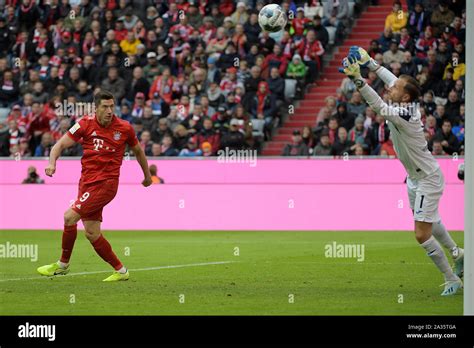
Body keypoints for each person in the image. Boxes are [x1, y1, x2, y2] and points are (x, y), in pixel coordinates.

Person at [340, 46, 463, 296]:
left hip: (427, 178)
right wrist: (371, 63)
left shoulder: (404, 114)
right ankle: (458, 254)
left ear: (405, 98)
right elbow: (394, 81)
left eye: (395, 89)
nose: (390, 88)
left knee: (420, 233)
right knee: (430, 220)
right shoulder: (405, 101)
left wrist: (358, 79)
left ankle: (451, 278)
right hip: (414, 178)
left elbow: (378, 107)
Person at [37, 91, 152, 282]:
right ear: (96, 108)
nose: (109, 111)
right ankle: (121, 271)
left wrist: (147, 176)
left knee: (69, 217)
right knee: (92, 233)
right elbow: (59, 145)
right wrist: (52, 163)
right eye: (105, 107)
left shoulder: (124, 128)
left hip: (106, 184)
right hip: (86, 184)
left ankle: (62, 265)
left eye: (112, 106)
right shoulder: (84, 124)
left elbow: (139, 152)